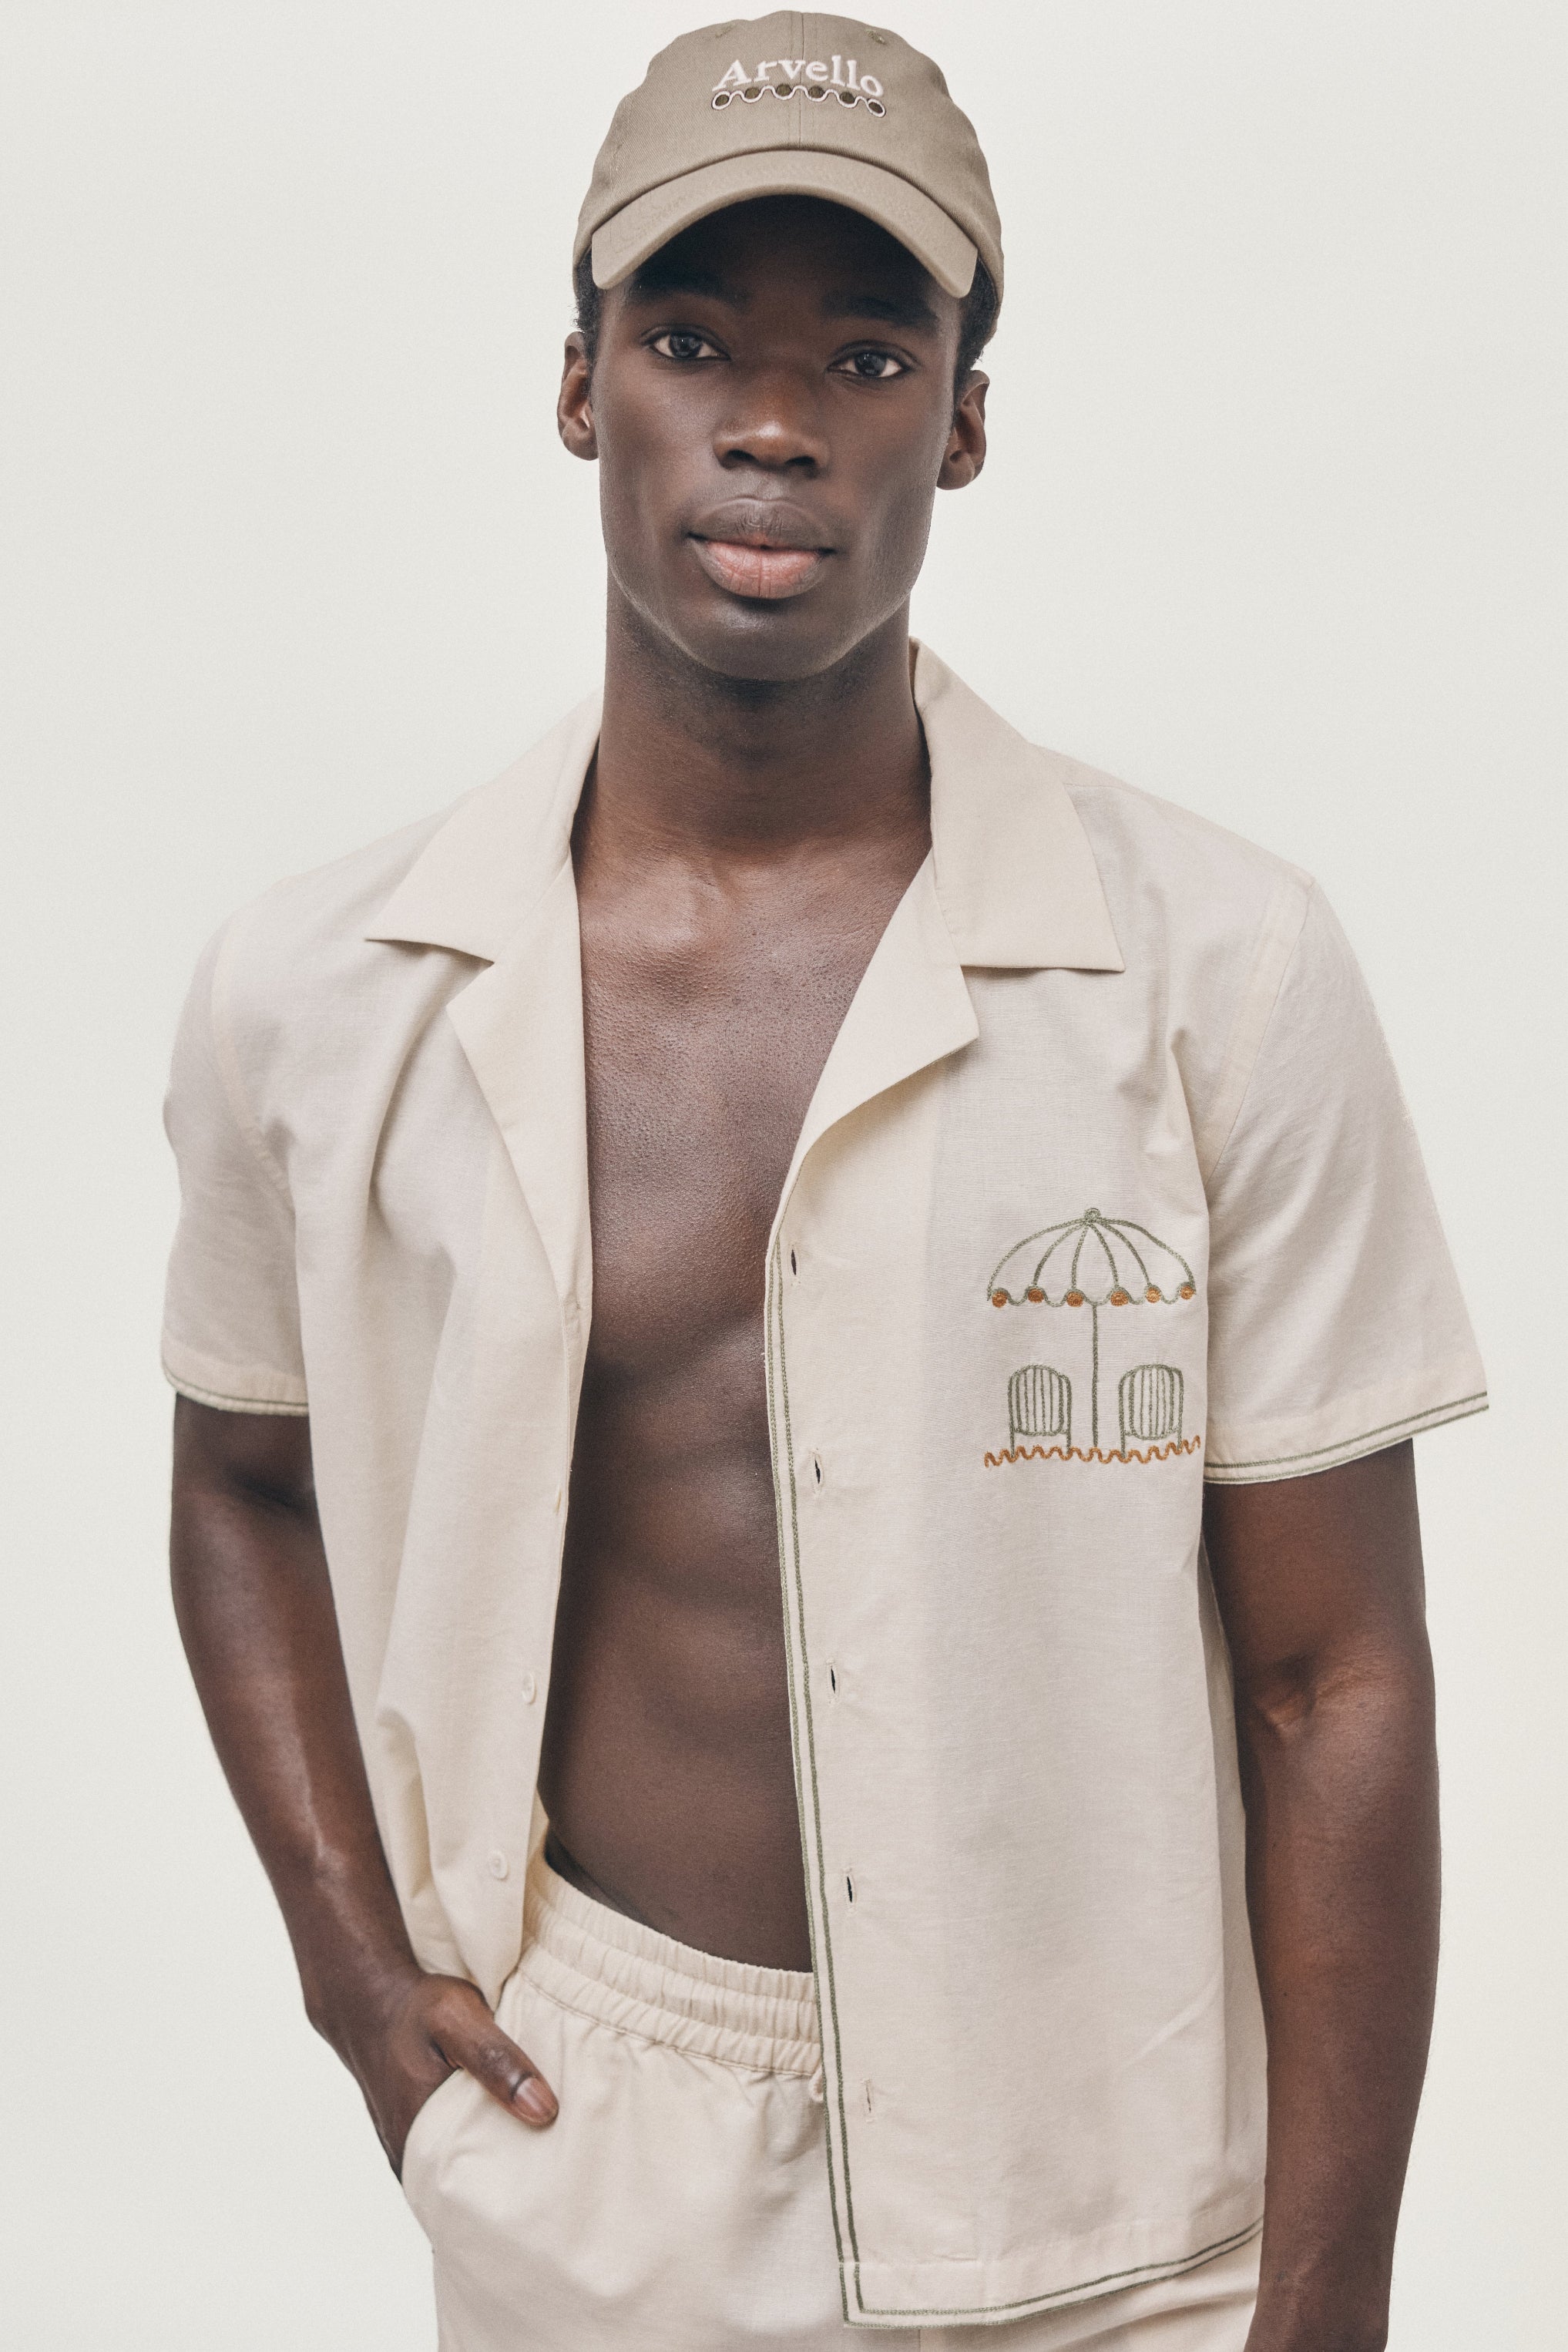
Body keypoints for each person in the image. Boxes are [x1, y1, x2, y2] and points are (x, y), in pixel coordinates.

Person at [163, 15, 1487, 2350]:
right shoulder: (325, 986)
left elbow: (1331, 1668)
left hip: (1113, 2182)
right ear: (578, 385)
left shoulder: (1211, 966)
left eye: (867, 354)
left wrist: (1329, 2299)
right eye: (689, 341)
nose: (772, 423)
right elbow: (243, 1482)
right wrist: (358, 1985)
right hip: (601, 2131)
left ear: (960, 421)